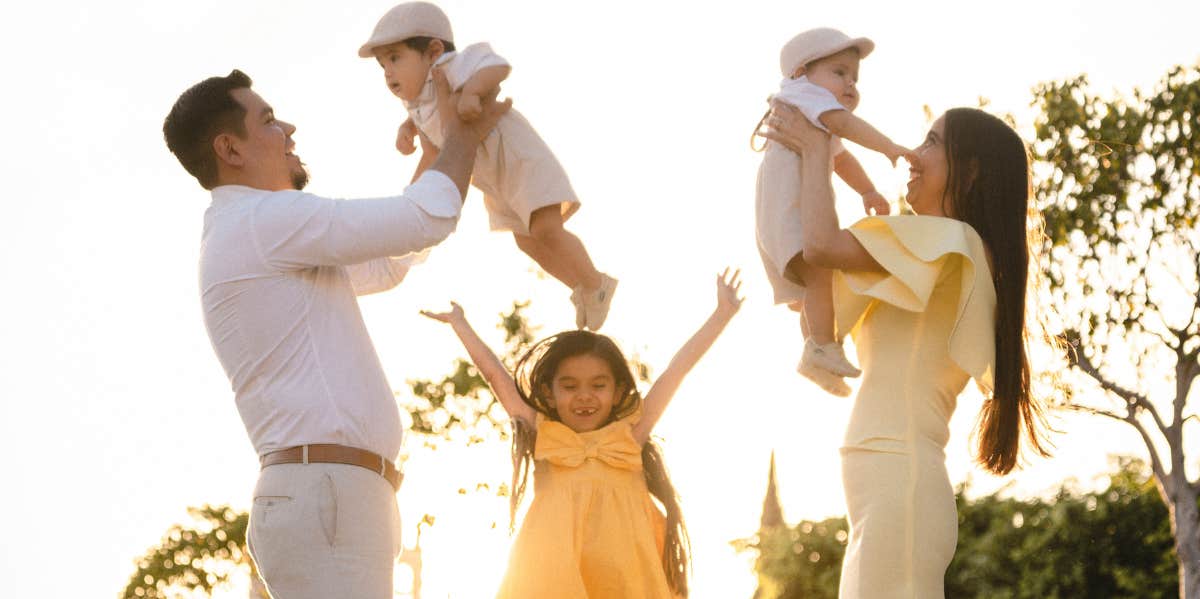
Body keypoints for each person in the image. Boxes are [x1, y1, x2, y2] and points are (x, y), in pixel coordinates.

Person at [162, 68, 509, 598]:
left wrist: (436, 146)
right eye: (270, 120)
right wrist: (464, 135)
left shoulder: (256, 230)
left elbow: (391, 259)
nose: (290, 130)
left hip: (331, 496)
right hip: (326, 495)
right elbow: (426, 220)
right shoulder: (264, 220)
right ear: (230, 149)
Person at [763, 105, 1053, 597]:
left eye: (932, 143)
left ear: (973, 169)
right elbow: (816, 282)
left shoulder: (949, 238)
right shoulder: (932, 252)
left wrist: (817, 149)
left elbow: (820, 246)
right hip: (887, 483)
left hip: (899, 482)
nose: (913, 156)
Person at [420, 269, 744, 598]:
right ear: (549, 394)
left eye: (598, 385)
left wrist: (722, 313)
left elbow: (677, 370)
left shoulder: (630, 436)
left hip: (624, 580)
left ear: (617, 392)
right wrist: (460, 324)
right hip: (553, 579)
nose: (584, 396)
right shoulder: (543, 434)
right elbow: (494, 375)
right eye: (570, 386)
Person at [360, 1, 618, 331]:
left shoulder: (450, 68)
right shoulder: (416, 103)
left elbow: (497, 65)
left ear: (434, 51)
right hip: (494, 180)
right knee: (525, 241)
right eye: (383, 66)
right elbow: (428, 130)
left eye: (395, 59)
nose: (388, 73)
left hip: (518, 160)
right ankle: (581, 288)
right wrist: (407, 129)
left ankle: (596, 284)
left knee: (545, 229)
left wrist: (473, 92)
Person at [752, 27, 911, 397]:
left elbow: (841, 160)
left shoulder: (804, 111)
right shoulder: (805, 97)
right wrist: (888, 147)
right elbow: (845, 125)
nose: (850, 85)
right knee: (821, 273)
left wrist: (867, 189)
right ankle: (824, 347)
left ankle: (814, 355)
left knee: (812, 288)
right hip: (789, 212)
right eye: (839, 72)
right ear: (800, 72)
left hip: (771, 218)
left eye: (854, 78)